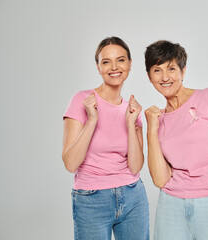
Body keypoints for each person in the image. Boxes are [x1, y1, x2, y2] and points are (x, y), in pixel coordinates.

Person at [144, 40, 208, 240]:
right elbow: (160, 179)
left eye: (171, 69)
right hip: (171, 206)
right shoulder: (157, 119)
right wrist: (151, 128)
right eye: (157, 70)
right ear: (149, 76)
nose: (165, 77)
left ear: (183, 72)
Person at [62, 36, 149, 240]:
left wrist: (130, 123)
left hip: (133, 195)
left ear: (129, 64)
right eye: (106, 61)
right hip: (92, 199)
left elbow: (135, 167)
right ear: (98, 67)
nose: (114, 67)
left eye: (120, 59)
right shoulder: (81, 100)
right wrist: (91, 120)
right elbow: (70, 163)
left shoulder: (132, 110)